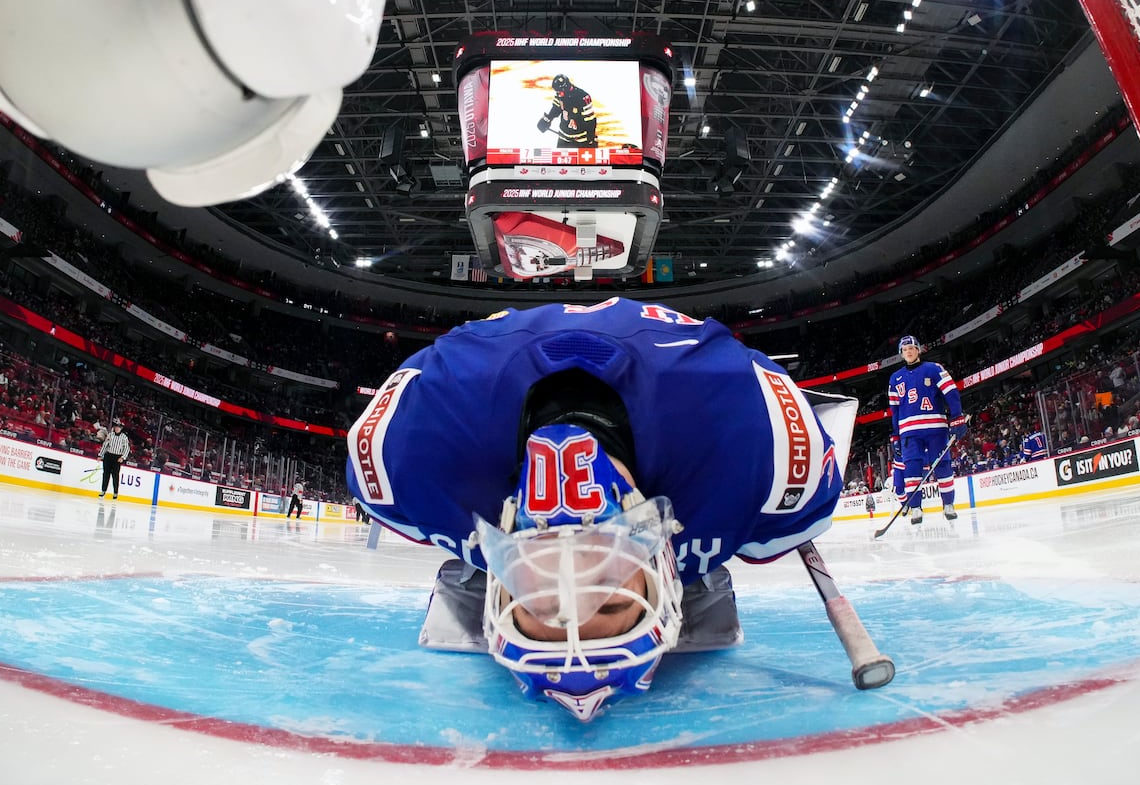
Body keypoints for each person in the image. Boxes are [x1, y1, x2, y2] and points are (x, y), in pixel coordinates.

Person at [345, 297, 850, 722]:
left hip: (483, 368)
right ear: (664, 577)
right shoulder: (762, 446)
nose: (576, 579)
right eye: (610, 604)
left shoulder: (407, 452)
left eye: (542, 607)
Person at [887, 335, 965, 525]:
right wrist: (896, 435)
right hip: (909, 432)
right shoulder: (895, 378)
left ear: (918, 350)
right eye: (905, 350)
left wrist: (957, 417)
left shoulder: (934, 369)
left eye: (912, 348)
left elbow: (951, 392)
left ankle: (948, 505)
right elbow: (895, 410)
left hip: (935, 427)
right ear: (901, 353)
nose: (909, 352)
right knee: (912, 469)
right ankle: (916, 509)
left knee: (943, 465)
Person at [536, 73, 597, 148]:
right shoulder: (560, 95)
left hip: (581, 140)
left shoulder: (583, 97)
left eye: (559, 91)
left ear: (566, 88)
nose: (558, 94)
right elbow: (555, 109)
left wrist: (590, 139)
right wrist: (547, 119)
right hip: (563, 138)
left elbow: (590, 121)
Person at [99, 420, 129, 500]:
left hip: (117, 458)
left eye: (119, 427)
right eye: (116, 427)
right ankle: (103, 491)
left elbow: (126, 448)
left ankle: (115, 492)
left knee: (115, 476)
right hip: (108, 456)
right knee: (106, 474)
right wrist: (100, 455)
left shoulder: (124, 437)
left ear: (121, 428)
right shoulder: (110, 435)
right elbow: (105, 445)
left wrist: (122, 457)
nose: (117, 428)